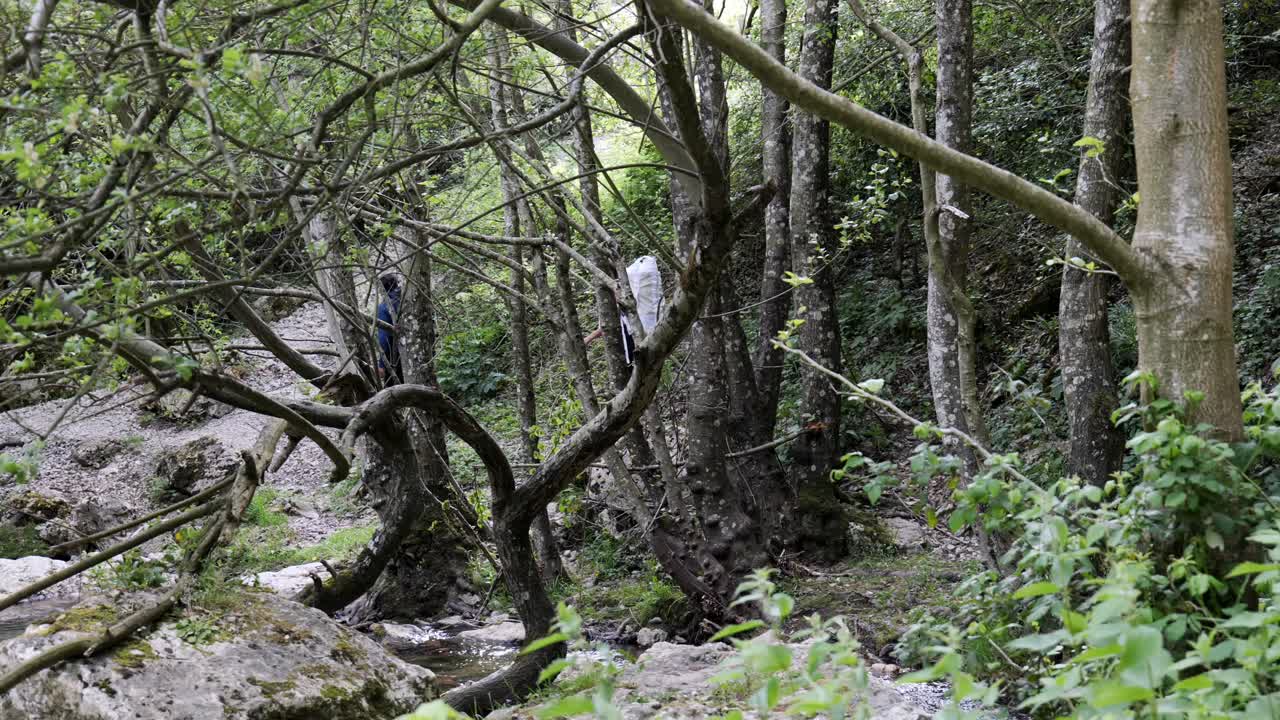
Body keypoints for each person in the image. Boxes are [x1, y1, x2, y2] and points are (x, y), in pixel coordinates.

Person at [584, 255, 663, 365]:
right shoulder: (626, 285)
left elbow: (607, 322)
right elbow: (604, 325)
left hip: (635, 339)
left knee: (634, 367)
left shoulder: (625, 287)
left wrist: (588, 339)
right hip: (641, 338)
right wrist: (588, 339)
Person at [376, 274, 403, 384]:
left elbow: (384, 337)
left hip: (394, 352)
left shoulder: (384, 307)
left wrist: (382, 364)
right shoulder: (407, 299)